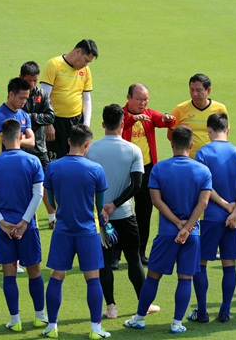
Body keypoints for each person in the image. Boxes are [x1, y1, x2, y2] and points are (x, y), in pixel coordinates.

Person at [124, 125, 211, 334]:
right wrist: (187, 227)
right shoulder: (203, 170)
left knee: (153, 276)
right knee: (185, 278)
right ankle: (176, 323)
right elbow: (203, 204)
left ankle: (140, 318)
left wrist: (176, 223)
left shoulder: (159, 168)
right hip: (192, 234)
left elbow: (156, 200)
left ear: (171, 144)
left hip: (166, 233)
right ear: (191, 145)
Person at [86, 104, 160, 319]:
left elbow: (88, 183)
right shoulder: (133, 149)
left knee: (105, 262)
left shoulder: (91, 149)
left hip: (101, 218)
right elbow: (136, 185)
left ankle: (111, 307)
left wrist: (104, 207)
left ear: (102, 124)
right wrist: (116, 204)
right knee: (134, 258)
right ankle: (144, 304)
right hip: (125, 215)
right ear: (121, 124)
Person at [43, 124, 110, 339]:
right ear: (87, 144)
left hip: (63, 230)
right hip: (87, 231)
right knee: (92, 278)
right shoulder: (96, 169)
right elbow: (99, 206)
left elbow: (50, 199)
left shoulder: (53, 167)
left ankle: (52, 326)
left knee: (56, 276)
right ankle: (95, 328)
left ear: (69, 141)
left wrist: (60, 209)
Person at [0, 118, 47, 331]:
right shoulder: (33, 161)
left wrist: (2, 222)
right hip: (28, 228)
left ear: (2, 136)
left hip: (4, 230)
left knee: (8, 274)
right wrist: (24, 222)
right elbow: (38, 194)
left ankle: (15, 320)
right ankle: (40, 316)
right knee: (34, 273)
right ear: (21, 136)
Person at [188, 113, 236, 323]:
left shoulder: (203, 154)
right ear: (228, 130)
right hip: (233, 219)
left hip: (209, 218)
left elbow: (204, 187)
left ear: (209, 130)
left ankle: (203, 312)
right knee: (229, 263)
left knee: (201, 263)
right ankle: (225, 311)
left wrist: (223, 204)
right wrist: (234, 211)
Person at [121, 83, 176, 266]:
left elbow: (163, 121)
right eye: (139, 99)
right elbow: (122, 123)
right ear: (128, 98)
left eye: (146, 99)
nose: (143, 103)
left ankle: (140, 253)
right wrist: (134, 118)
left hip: (147, 170)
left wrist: (168, 118)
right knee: (119, 213)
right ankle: (114, 255)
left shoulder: (149, 114)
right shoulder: (121, 114)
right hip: (125, 172)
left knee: (144, 214)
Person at [40, 39, 98, 160]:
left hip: (76, 122)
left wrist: (86, 124)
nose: (86, 65)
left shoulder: (86, 70)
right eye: (85, 60)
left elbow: (86, 98)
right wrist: (48, 123)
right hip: (56, 123)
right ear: (78, 51)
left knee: (76, 158)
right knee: (55, 159)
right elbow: (44, 97)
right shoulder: (54, 65)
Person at [19, 61, 57, 228]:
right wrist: (35, 117)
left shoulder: (41, 93)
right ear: (21, 77)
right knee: (26, 186)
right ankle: (29, 219)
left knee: (45, 183)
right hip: (22, 146)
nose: (32, 84)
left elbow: (50, 117)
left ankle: (52, 217)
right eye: (29, 80)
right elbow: (16, 117)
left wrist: (29, 117)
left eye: (35, 80)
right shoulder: (16, 93)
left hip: (40, 147)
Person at [167, 73, 228, 159]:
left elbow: (224, 133)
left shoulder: (220, 109)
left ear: (208, 90)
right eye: (192, 90)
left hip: (213, 159)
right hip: (189, 161)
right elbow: (171, 136)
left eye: (199, 90)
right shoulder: (179, 110)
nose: (194, 94)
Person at [0, 77, 34, 155]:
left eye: (26, 98)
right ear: (11, 94)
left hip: (21, 161)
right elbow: (7, 142)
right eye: (21, 98)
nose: (24, 101)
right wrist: (23, 137)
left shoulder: (25, 115)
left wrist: (15, 139)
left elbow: (32, 142)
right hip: (3, 161)